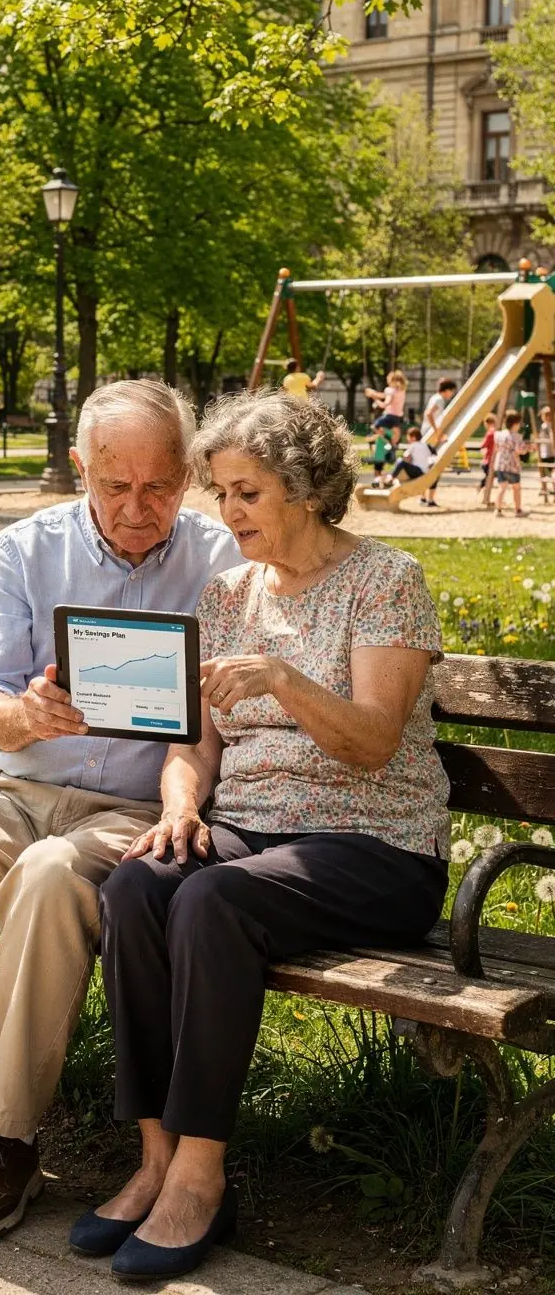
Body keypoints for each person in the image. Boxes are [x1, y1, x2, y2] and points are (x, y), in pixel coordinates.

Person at [0, 379, 241, 1240]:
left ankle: (5, 1140)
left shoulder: (221, 562)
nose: (138, 510)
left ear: (187, 477)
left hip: (130, 803)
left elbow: (225, 720)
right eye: (114, 486)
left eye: (160, 486)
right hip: (10, 786)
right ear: (80, 469)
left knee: (51, 880)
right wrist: (24, 714)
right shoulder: (25, 551)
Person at [70, 390, 449, 1281]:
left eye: (248, 493)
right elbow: (191, 745)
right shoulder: (228, 594)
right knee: (138, 881)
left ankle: (203, 1174)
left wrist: (282, 679)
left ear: (307, 490)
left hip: (376, 843)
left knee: (212, 897)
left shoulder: (384, 579)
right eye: (221, 492)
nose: (226, 512)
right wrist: (180, 809)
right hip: (254, 834)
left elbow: (373, 743)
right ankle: (156, 1156)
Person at [419, 378, 457, 508]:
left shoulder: (434, 397)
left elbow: (427, 413)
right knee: (434, 466)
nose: (451, 395)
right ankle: (429, 499)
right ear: (447, 390)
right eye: (452, 392)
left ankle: (423, 497)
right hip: (429, 435)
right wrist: (436, 432)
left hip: (425, 433)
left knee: (425, 465)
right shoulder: (439, 399)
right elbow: (429, 414)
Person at [494, 411, 531, 518]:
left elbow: (496, 448)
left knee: (501, 487)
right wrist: (528, 448)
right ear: (515, 424)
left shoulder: (499, 434)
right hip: (512, 465)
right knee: (516, 488)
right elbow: (520, 450)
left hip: (501, 464)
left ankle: (498, 510)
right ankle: (518, 510)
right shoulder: (516, 437)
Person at [364, 369, 407, 448]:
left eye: (388, 380)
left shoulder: (391, 391)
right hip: (397, 417)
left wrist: (374, 398)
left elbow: (384, 404)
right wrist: (373, 393)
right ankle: (391, 444)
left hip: (390, 416)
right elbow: (384, 395)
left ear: (392, 381)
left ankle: (387, 440)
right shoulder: (401, 391)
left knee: (374, 427)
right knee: (393, 433)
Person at [537, 405, 553, 503]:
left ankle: (547, 489)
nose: (546, 417)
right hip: (544, 453)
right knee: (545, 474)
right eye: (545, 415)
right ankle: (544, 488)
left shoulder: (549, 426)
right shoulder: (544, 426)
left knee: (552, 474)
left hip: (550, 453)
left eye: (548, 415)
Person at [479, 414, 497, 492]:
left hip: (488, 459)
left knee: (489, 478)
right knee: (489, 478)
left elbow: (483, 444)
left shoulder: (490, 432)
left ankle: (482, 489)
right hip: (490, 460)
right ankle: (482, 489)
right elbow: (484, 445)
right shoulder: (493, 432)